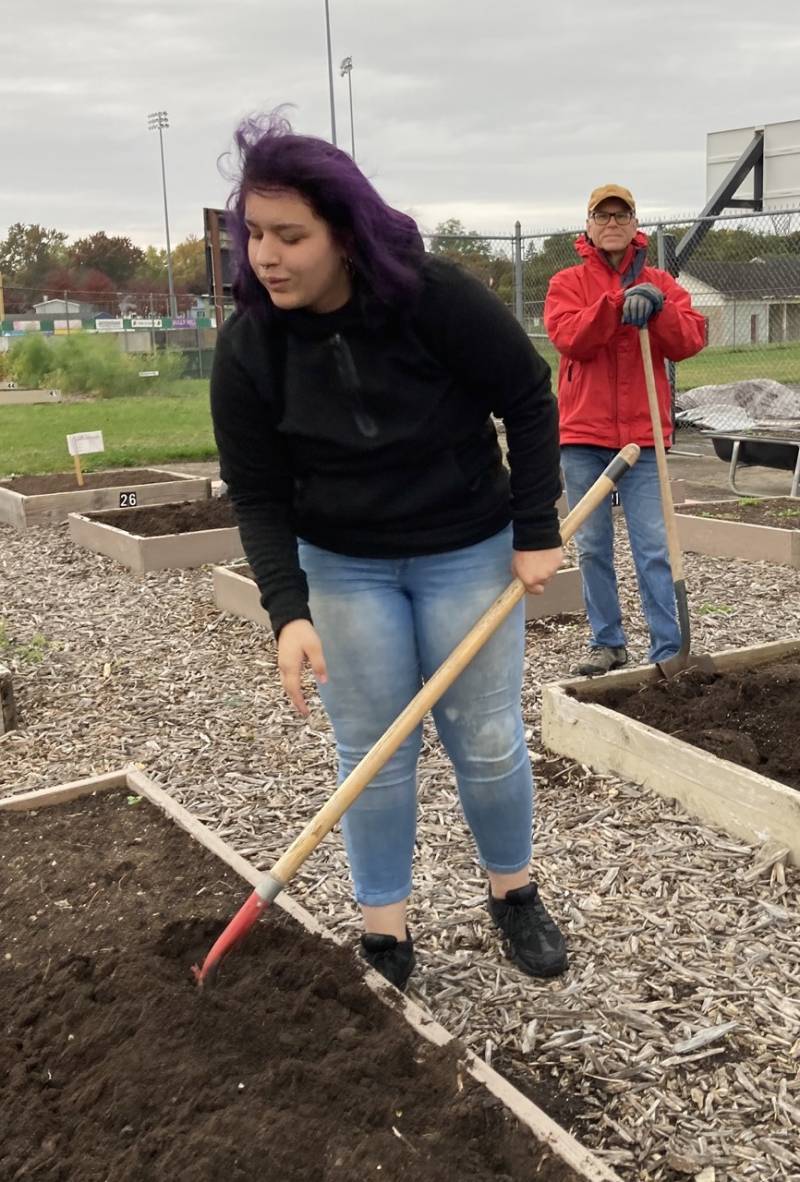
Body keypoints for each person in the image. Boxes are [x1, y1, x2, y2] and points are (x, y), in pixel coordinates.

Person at [210, 112, 568, 991]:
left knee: (484, 738)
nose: (267, 255)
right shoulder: (250, 347)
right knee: (371, 749)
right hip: (342, 561)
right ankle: (385, 931)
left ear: (345, 232)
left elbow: (527, 394)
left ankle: (512, 894)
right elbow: (257, 494)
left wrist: (534, 529)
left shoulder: (432, 299)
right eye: (254, 233)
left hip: (465, 547)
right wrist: (288, 612)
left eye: (290, 235)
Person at [544, 185, 706, 676]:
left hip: (643, 436)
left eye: (622, 214)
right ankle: (607, 642)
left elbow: (690, 339)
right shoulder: (567, 282)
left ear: (636, 224)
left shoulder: (661, 281)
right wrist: (616, 305)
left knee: (654, 546)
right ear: (588, 225)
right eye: (602, 214)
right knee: (592, 546)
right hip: (583, 437)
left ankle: (666, 650)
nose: (612, 222)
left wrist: (659, 307)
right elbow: (569, 337)